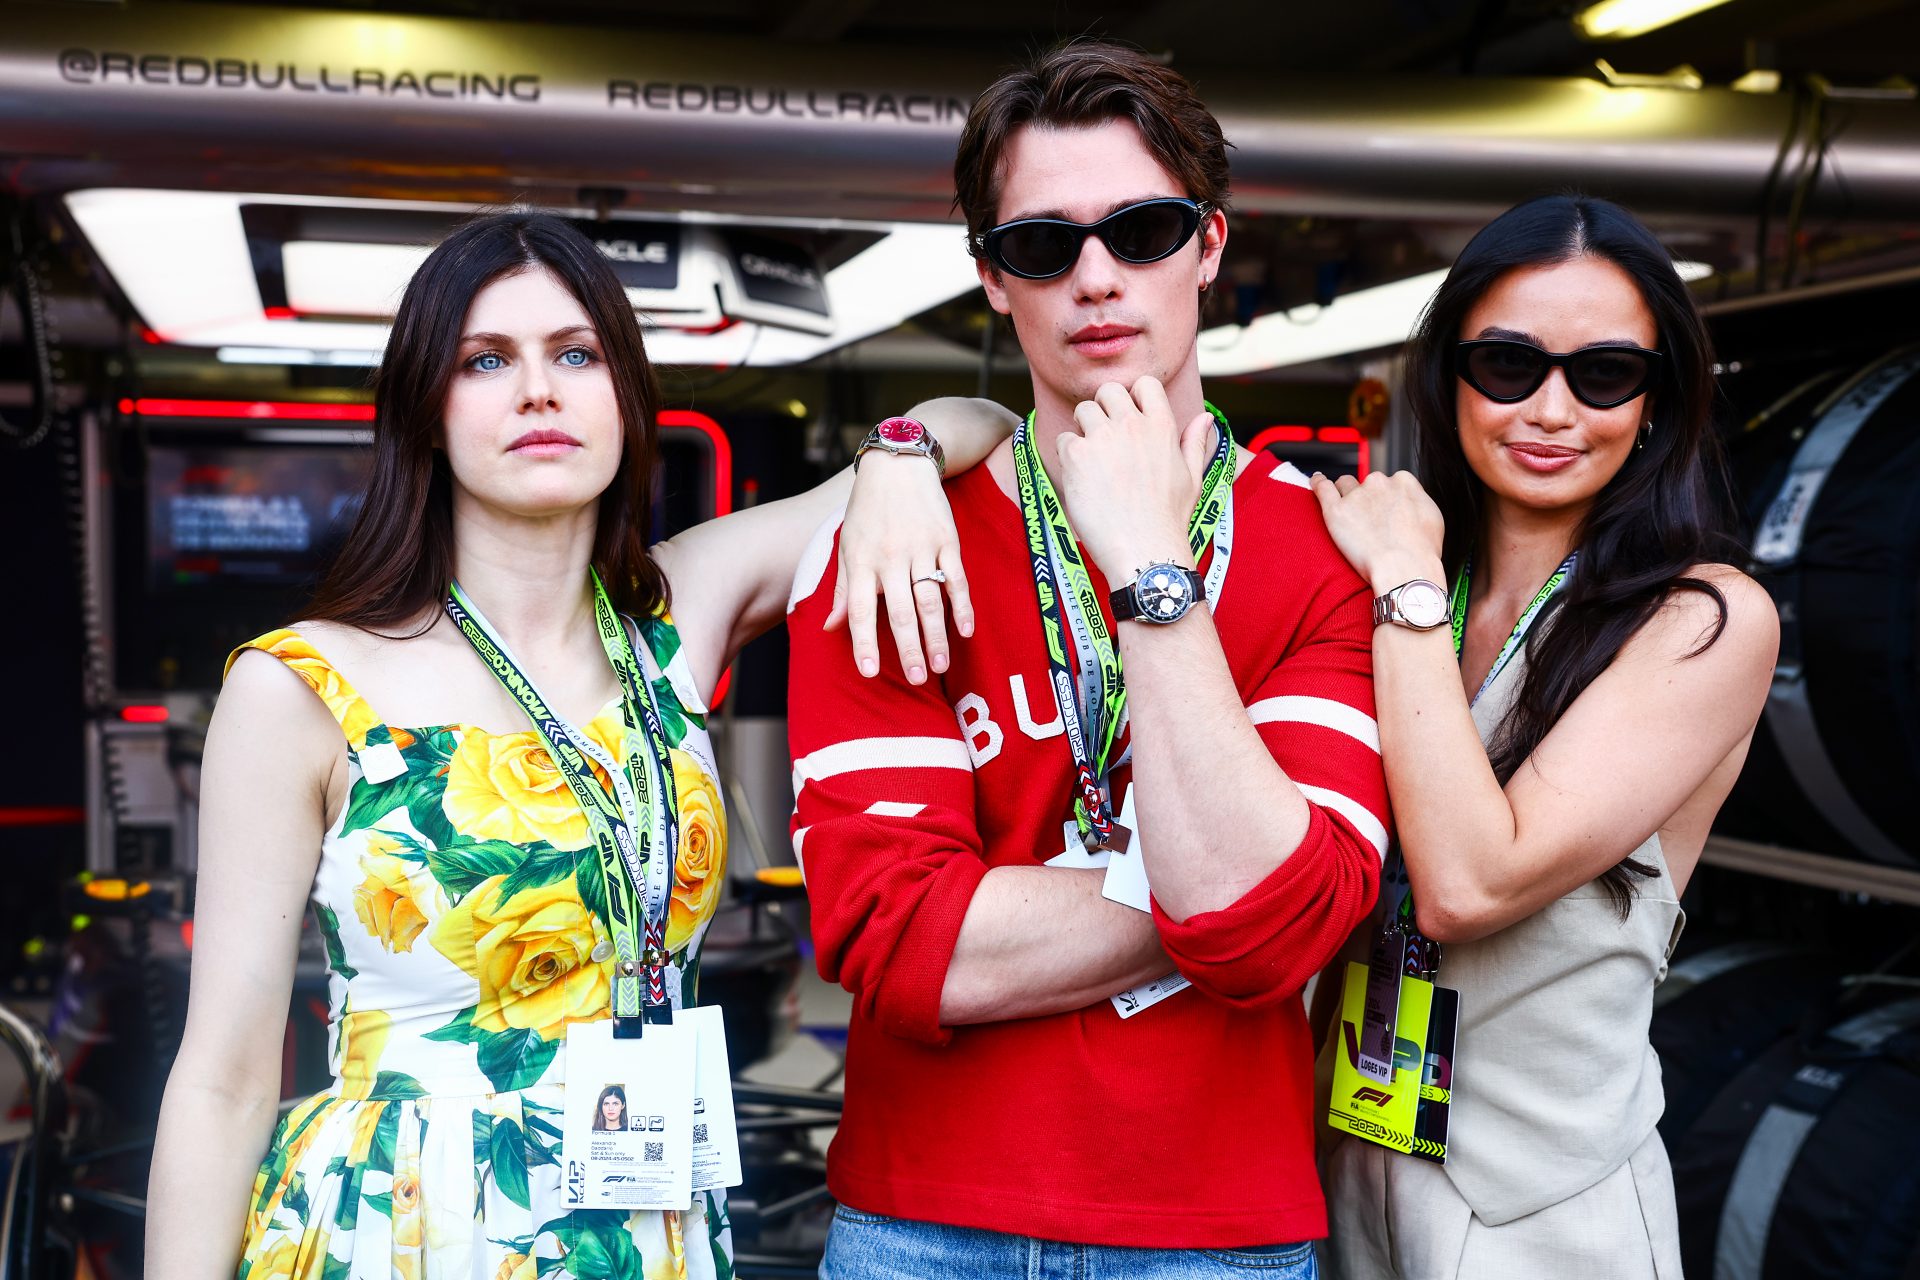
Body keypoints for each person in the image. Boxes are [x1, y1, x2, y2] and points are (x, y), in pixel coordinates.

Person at [143, 210, 1015, 1280]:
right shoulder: (301, 685)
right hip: (405, 1233)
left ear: (624, 396)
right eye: (486, 360)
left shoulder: (677, 612)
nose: (539, 390)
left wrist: (896, 459)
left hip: (643, 1220)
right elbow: (223, 1075)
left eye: (576, 353)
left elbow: (986, 417)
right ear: (426, 409)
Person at [786, 42, 1390, 1278]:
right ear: (994, 281)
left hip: (1218, 1235)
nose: (1097, 279)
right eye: (1043, 245)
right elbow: (894, 935)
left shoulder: (1329, 549)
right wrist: (1207, 875)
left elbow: (1276, 936)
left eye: (1144, 231)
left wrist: (1145, 568)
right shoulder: (891, 543)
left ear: (1211, 245)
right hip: (920, 1224)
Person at [1309, 194, 1778, 1279]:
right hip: (1339, 1184)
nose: (1553, 408)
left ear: (1657, 399)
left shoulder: (1704, 618)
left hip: (1546, 1223)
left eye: (1605, 372)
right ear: (1451, 375)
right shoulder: (1401, 572)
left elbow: (1470, 883)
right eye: (1509, 364)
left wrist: (1407, 588)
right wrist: (912, 439)